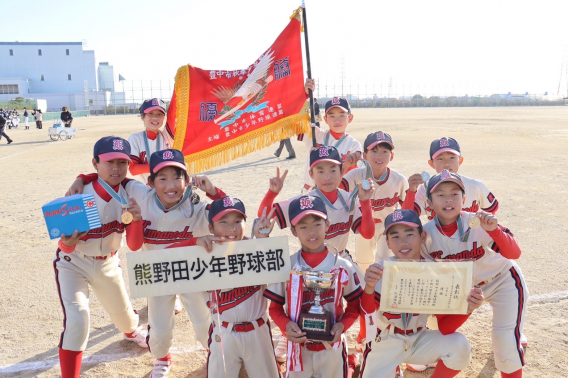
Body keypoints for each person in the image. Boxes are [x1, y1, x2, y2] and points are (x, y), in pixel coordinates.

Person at [258, 146, 375, 370]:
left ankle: (360, 343)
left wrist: (366, 202)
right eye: (319, 170)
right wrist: (273, 193)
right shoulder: (305, 201)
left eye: (333, 169)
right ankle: (287, 335)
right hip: (306, 264)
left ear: (343, 171)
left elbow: (368, 233)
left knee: (367, 297)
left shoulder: (350, 198)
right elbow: (265, 215)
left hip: (338, 261)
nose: (327, 176)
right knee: (301, 304)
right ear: (311, 174)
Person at [55, 136, 148, 378]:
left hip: (108, 263)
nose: (116, 168)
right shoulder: (79, 192)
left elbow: (135, 246)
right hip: (73, 263)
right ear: (95, 163)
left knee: (126, 319)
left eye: (122, 162)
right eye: (109, 162)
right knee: (78, 319)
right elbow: (64, 244)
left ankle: (131, 331)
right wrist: (67, 244)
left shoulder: (130, 192)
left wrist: (136, 220)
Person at [422, 170, 528, 378]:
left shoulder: (478, 222)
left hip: (502, 281)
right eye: (440, 194)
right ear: (429, 202)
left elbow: (514, 253)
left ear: (464, 198)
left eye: (455, 193)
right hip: (463, 290)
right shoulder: (426, 235)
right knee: (441, 332)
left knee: (505, 342)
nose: (448, 199)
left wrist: (495, 230)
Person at [359, 209, 483, 377]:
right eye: (395, 236)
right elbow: (367, 316)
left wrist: (468, 308)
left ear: (422, 237)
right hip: (386, 340)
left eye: (409, 234)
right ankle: (391, 368)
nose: (403, 242)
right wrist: (369, 288)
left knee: (460, 345)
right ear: (387, 242)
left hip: (419, 338)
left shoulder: (436, 271)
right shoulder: (380, 271)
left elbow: (446, 327)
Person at [180, 197, 282, 378]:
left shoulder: (254, 248)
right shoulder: (201, 255)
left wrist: (263, 239)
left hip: (258, 331)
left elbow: (276, 267)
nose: (232, 228)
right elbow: (165, 255)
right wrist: (193, 242)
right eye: (223, 222)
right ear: (210, 228)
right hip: (223, 332)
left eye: (237, 221)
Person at [264, 195, 363, 378]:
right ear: (293, 231)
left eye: (317, 224)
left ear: (327, 224)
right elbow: (275, 307)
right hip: (298, 351)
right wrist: (286, 326)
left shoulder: (343, 266)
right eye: (303, 226)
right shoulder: (287, 265)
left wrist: (342, 325)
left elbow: (355, 305)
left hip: (331, 350)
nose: (311, 231)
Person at [339, 131, 409, 271]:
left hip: (387, 229)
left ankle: (381, 292)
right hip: (363, 226)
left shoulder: (399, 180)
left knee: (385, 264)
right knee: (364, 264)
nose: (379, 156)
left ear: (392, 156)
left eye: (384, 151)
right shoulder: (355, 175)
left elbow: (407, 209)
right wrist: (344, 168)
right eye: (374, 151)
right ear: (364, 155)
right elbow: (336, 191)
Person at [402, 137, 499, 220]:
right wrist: (412, 191)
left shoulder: (475, 186)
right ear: (432, 164)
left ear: (460, 160)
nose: (447, 163)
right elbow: (407, 218)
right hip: (438, 240)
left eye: (452, 157)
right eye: (440, 158)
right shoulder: (425, 189)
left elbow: (492, 209)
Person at [298, 97, 362, 191]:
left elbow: (355, 175)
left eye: (342, 115)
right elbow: (295, 119)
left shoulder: (354, 145)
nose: (337, 120)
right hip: (311, 192)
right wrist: (305, 95)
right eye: (332, 116)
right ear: (325, 119)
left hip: (337, 194)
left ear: (350, 118)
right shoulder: (315, 134)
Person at [128, 98, 174, 184]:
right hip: (144, 189)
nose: (155, 117)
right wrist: (159, 166)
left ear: (164, 117)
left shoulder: (167, 136)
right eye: (150, 113)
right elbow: (133, 169)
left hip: (166, 187)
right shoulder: (135, 138)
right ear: (142, 117)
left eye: (159, 114)